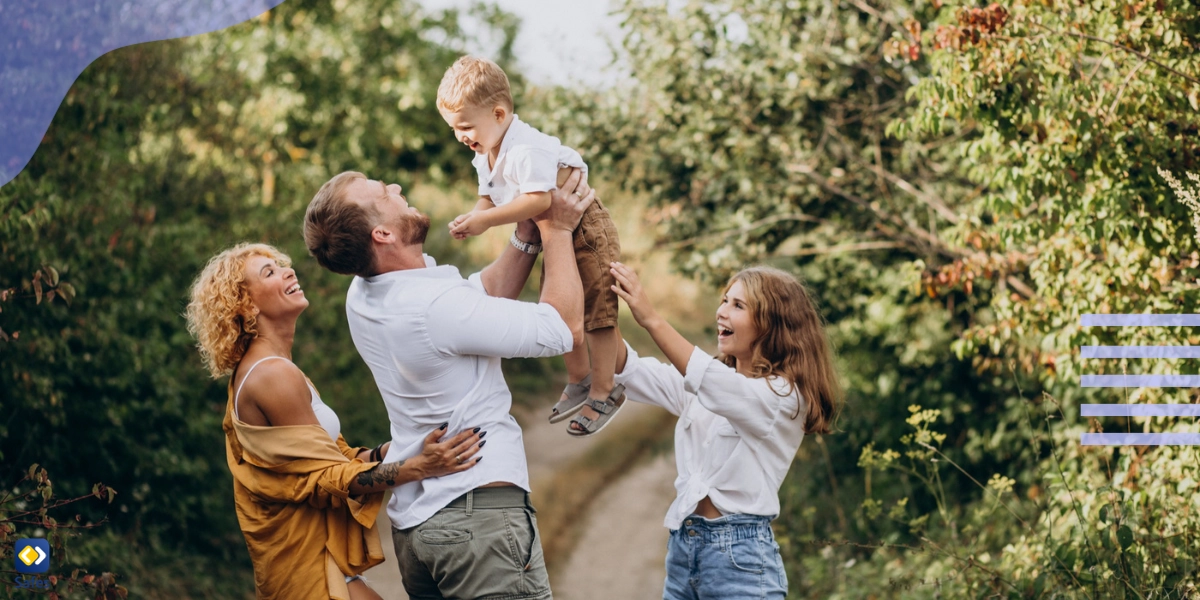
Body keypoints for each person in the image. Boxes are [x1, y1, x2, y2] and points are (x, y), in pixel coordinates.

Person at [302, 168, 594, 600]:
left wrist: (526, 236)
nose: (397, 188)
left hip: (418, 529)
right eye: (385, 193)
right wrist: (558, 230)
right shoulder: (433, 307)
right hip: (477, 523)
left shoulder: (364, 294)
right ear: (382, 233)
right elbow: (564, 329)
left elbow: (475, 302)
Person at [185, 242, 485, 600]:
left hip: (314, 561)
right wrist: (418, 467)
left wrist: (393, 450)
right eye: (270, 272)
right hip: (305, 566)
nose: (288, 271)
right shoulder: (272, 376)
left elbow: (332, 459)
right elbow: (324, 480)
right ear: (247, 305)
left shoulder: (274, 369)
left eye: (282, 265)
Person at [607, 262, 843, 600]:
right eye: (724, 300)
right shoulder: (708, 385)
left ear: (771, 325)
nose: (722, 312)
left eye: (738, 306)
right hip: (683, 555)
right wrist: (600, 307)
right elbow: (629, 371)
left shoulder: (783, 397)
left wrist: (651, 318)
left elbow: (712, 382)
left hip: (741, 562)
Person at [436, 55, 626, 436]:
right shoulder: (484, 152)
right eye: (455, 129)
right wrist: (474, 217)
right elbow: (489, 198)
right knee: (557, 307)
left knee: (597, 310)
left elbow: (539, 200)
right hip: (553, 231)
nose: (461, 137)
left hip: (584, 226)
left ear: (500, 113)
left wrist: (487, 220)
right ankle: (581, 379)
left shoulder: (526, 149)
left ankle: (606, 389)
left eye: (466, 126)